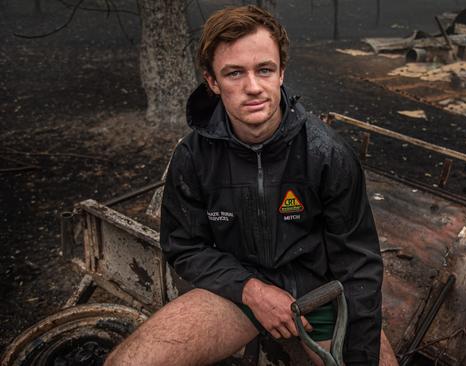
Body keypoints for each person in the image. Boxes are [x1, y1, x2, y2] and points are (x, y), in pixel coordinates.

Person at [105, 5, 397, 366]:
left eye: (264, 70)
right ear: (212, 81)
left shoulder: (328, 155)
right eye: (234, 73)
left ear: (281, 73)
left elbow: (358, 266)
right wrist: (253, 291)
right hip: (235, 295)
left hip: (319, 299)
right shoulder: (192, 158)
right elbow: (184, 247)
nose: (253, 87)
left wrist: (360, 355)